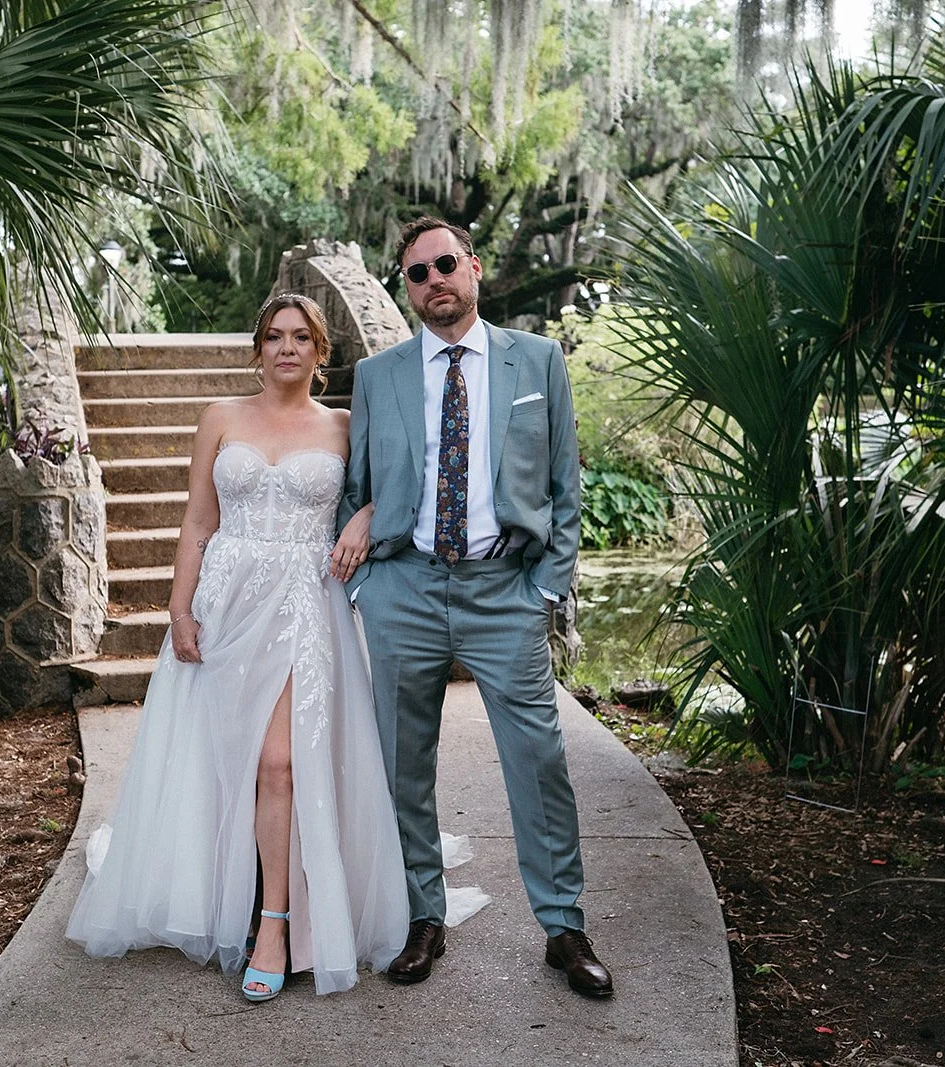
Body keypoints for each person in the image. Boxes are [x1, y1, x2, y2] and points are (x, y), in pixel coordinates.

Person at [66, 294, 407, 1001]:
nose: (287, 348)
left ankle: (276, 924)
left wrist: (366, 515)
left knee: (280, 761)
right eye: (275, 336)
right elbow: (198, 517)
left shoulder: (346, 424)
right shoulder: (220, 418)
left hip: (305, 605)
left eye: (302, 337)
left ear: (320, 350)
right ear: (258, 349)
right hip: (226, 601)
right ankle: (221, 888)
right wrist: (177, 605)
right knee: (228, 760)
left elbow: (388, 492)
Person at [333, 216, 615, 998]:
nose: (433, 282)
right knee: (402, 763)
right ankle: (424, 916)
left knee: (540, 758)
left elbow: (565, 489)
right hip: (404, 590)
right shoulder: (379, 374)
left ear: (475, 267)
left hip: (504, 594)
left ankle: (564, 928)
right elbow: (351, 490)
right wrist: (365, 586)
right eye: (416, 274)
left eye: (444, 264)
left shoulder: (539, 361)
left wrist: (544, 592)